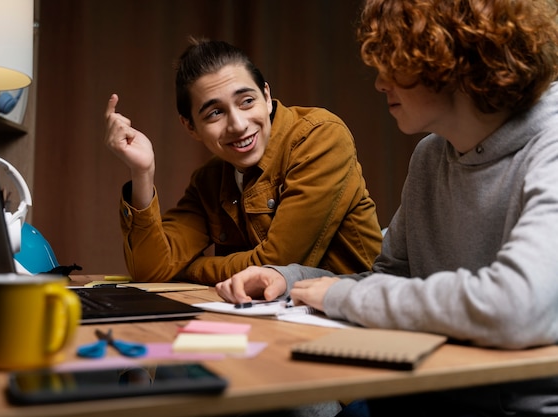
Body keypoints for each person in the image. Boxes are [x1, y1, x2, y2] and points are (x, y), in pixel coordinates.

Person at [216, 0, 558, 416]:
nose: (379, 83)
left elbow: (515, 308)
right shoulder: (432, 156)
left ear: (455, 61)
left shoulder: (551, 148)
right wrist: (288, 280)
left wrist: (341, 296)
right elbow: (389, 281)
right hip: (420, 392)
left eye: (395, 62)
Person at [104, 37, 382, 285]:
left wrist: (189, 269)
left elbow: (276, 264)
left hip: (351, 320)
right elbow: (151, 270)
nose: (237, 124)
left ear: (267, 96)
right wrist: (142, 173)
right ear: (190, 127)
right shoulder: (210, 179)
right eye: (214, 113)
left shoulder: (320, 137)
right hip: (269, 321)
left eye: (247, 101)